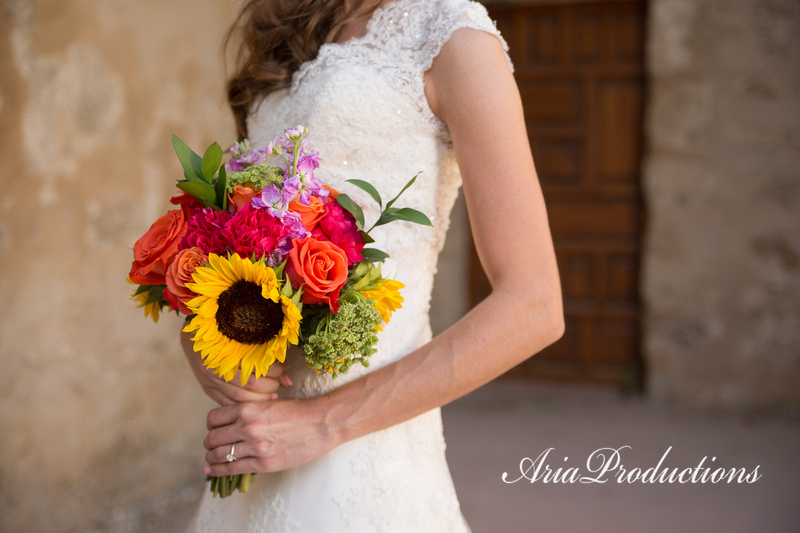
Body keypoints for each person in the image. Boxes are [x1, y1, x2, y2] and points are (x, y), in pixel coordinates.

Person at [182, 0, 563, 530]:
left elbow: (534, 304)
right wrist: (204, 340)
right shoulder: (291, 22)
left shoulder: (452, 34)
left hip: (364, 450)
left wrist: (320, 424)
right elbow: (240, 225)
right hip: (257, 436)